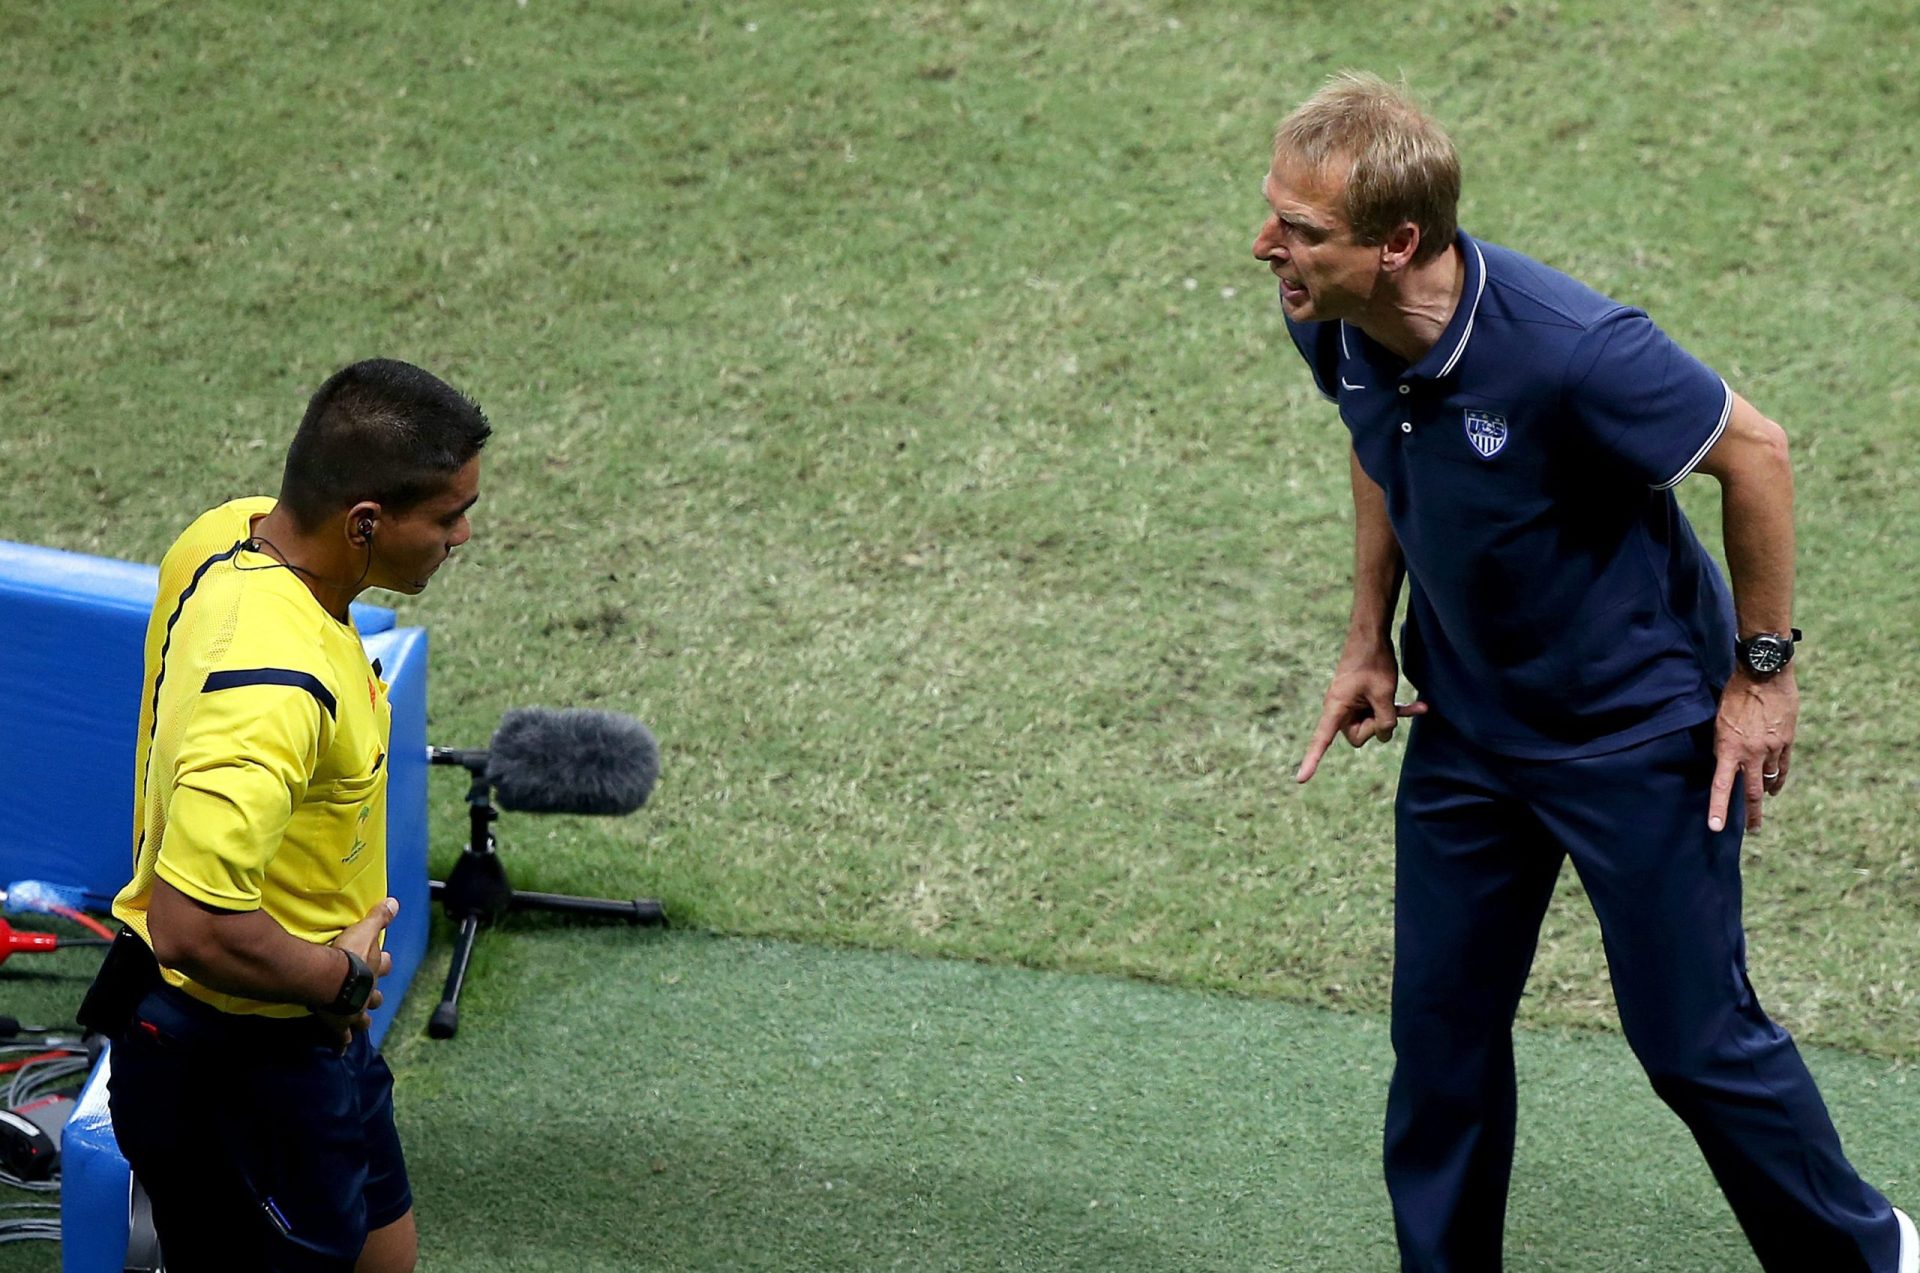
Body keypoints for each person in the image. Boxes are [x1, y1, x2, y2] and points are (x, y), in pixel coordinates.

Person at [1260, 73, 1912, 1271]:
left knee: (1694, 1042)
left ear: (1398, 244)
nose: (1268, 249)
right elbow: (1378, 437)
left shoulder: (1574, 351)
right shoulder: (1328, 314)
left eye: (1300, 231)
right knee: (1442, 1038)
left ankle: (1876, 1257)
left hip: (1637, 731)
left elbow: (1757, 453)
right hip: (1469, 726)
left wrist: (1761, 675)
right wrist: (1367, 633)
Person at [99, 359, 488, 1272]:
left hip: (310, 1035)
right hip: (235, 1053)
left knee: (384, 1248)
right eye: (446, 516)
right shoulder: (274, 688)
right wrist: (338, 979)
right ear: (365, 522)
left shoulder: (228, 534)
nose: (463, 535)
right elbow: (190, 924)